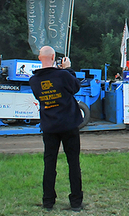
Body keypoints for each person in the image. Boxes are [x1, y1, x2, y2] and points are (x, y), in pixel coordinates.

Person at [29, 46, 84, 212]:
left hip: (49, 126)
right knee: (73, 163)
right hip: (68, 125)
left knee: (49, 163)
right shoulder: (63, 75)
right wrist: (68, 69)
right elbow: (75, 87)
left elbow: (41, 95)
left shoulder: (34, 81)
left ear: (40, 58)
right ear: (53, 57)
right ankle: (75, 202)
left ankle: (48, 201)